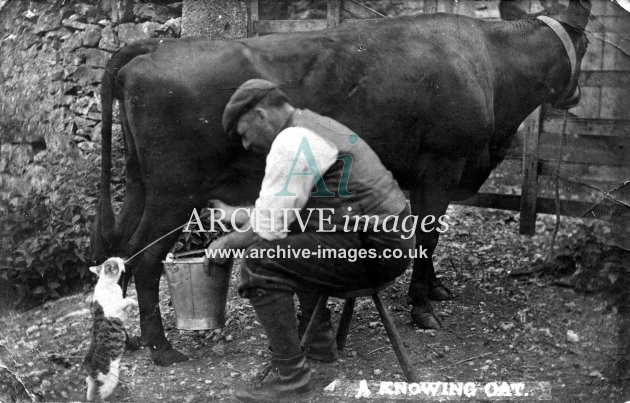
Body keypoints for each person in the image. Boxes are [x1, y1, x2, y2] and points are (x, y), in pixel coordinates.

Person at [206, 78, 415, 402]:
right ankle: (318, 342)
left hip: (374, 250)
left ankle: (292, 379)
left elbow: (269, 225)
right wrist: (235, 214)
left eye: (244, 134)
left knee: (260, 261)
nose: (246, 145)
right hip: (389, 239)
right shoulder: (312, 125)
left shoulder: (291, 141)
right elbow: (285, 208)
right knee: (296, 238)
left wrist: (225, 243)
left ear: (261, 116)